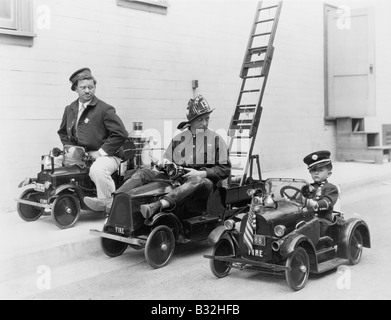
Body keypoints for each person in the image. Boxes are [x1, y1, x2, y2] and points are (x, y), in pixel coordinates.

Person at [84, 94, 231, 218]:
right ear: (191, 122)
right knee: (143, 173)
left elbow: (225, 170)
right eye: (201, 119)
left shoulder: (216, 140)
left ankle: (159, 205)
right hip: (178, 178)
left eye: (207, 119)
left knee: (197, 180)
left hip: (204, 184)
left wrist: (201, 172)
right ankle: (110, 201)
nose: (205, 123)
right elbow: (167, 159)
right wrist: (163, 164)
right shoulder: (179, 139)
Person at [58, 67, 128, 201]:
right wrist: (71, 150)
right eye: (83, 87)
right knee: (51, 163)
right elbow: (62, 132)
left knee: (98, 170)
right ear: (75, 89)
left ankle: (108, 204)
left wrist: (100, 153)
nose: (87, 91)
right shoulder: (70, 109)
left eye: (90, 87)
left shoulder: (104, 109)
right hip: (81, 155)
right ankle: (64, 198)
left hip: (108, 156)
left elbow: (121, 133)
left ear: (95, 87)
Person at [302, 150, 339, 222]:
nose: (316, 173)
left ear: (328, 174)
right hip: (309, 219)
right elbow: (300, 200)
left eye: (320, 170)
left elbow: (328, 202)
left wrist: (315, 204)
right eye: (313, 170)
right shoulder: (308, 187)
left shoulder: (331, 188)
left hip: (324, 221)